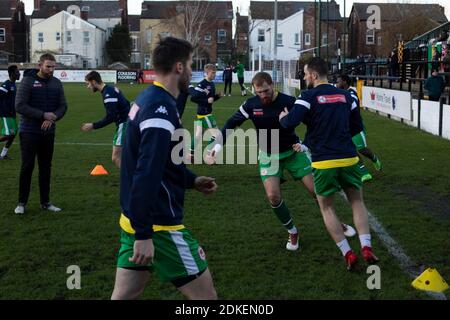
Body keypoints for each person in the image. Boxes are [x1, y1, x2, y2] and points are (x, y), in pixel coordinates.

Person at [111, 37, 218, 300]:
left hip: (132, 221)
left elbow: (162, 163)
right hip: (158, 227)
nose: (193, 71)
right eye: (191, 64)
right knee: (207, 298)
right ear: (179, 67)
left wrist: (191, 180)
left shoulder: (149, 97)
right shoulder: (160, 109)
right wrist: (145, 234)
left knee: (126, 294)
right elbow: (146, 173)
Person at [207, 72, 356, 251]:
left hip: (293, 153)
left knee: (318, 192)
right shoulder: (250, 104)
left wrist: (306, 144)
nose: (263, 95)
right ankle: (292, 231)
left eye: (266, 91)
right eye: (259, 92)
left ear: (272, 86)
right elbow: (231, 123)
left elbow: (314, 122)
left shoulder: (289, 101)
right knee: (273, 196)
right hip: (268, 156)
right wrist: (216, 148)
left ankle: (338, 223)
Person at [279, 57, 379, 270]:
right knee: (357, 202)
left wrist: (282, 118)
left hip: (324, 162)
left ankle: (348, 253)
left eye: (305, 74)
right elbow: (355, 128)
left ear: (314, 75)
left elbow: (291, 122)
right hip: (349, 158)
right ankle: (366, 247)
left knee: (326, 207)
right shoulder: (347, 96)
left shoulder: (307, 96)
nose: (304, 77)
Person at [14, 53, 68, 215]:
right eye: (48, 66)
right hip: (29, 132)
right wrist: (43, 115)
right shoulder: (28, 82)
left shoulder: (56, 83)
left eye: (53, 66)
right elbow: (20, 106)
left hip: (48, 132)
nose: (51, 69)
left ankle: (45, 202)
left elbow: (63, 106)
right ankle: (21, 203)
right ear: (40, 66)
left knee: (46, 167)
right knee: (27, 166)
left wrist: (53, 118)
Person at [336, 74, 382, 182]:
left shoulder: (352, 93)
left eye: (338, 82)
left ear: (345, 82)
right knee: (351, 150)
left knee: (362, 149)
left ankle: (374, 158)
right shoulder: (339, 93)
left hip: (355, 127)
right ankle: (364, 172)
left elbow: (353, 104)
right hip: (344, 128)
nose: (337, 84)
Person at [82, 71, 131, 168]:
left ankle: (133, 181)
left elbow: (110, 117)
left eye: (88, 84)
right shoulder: (111, 88)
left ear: (94, 82)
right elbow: (127, 103)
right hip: (128, 122)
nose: (88, 87)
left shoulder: (108, 93)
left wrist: (93, 125)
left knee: (116, 157)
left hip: (124, 124)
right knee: (127, 155)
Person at [188, 63, 222, 160]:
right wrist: (206, 101)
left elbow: (210, 99)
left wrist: (217, 97)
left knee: (198, 135)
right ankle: (208, 155)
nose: (214, 75)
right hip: (205, 114)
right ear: (206, 73)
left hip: (202, 113)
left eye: (215, 73)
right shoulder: (202, 84)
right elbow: (193, 98)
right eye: (212, 73)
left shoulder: (211, 84)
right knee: (217, 135)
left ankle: (190, 155)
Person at [0, 65, 20, 160]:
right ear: (12, 74)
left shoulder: (13, 85)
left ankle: (3, 155)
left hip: (11, 114)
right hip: (5, 114)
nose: (19, 73)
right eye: (17, 72)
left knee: (13, 134)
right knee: (9, 135)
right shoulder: (6, 84)